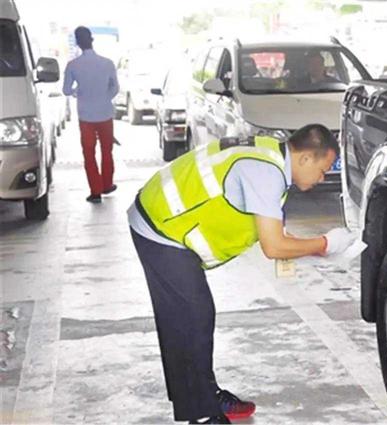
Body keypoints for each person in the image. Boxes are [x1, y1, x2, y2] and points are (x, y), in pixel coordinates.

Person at [128, 124, 356, 424]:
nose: (322, 178)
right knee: (191, 318)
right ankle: (202, 413)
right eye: (323, 170)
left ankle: (203, 396)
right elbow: (273, 246)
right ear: (304, 159)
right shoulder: (265, 173)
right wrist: (326, 243)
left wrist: (315, 250)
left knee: (191, 317)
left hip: (165, 220)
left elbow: (273, 233)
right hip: (161, 227)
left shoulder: (271, 155)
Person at [63, 26, 119, 203]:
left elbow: (65, 90)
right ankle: (107, 184)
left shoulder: (73, 65)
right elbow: (115, 87)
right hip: (105, 114)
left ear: (78, 43)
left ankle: (95, 191)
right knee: (107, 150)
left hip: (86, 116)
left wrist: (77, 92)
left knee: (89, 153)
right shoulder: (107, 63)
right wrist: (103, 98)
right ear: (92, 39)